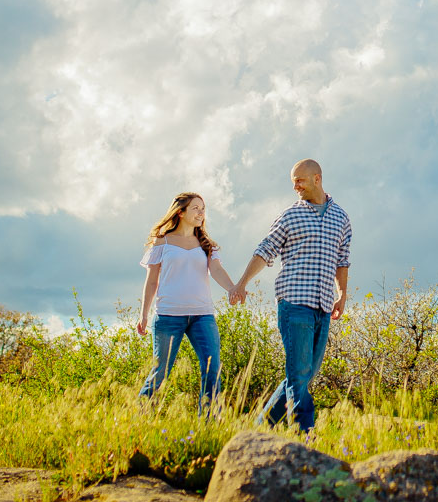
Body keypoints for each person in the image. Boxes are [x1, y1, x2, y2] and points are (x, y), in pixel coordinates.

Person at [231, 159, 351, 431]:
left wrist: (341, 294)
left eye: (300, 180)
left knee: (304, 376)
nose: (295, 186)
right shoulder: (290, 216)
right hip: (294, 302)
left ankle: (259, 429)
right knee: (298, 375)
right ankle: (304, 436)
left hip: (322, 305)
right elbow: (266, 249)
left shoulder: (341, 217)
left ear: (317, 179)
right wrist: (241, 283)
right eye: (293, 181)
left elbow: (343, 259)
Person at [136, 192, 241, 414]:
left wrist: (232, 288)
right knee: (161, 371)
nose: (201, 213)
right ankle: (139, 415)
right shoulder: (162, 241)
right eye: (196, 208)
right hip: (168, 317)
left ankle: (210, 422)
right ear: (181, 212)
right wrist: (143, 314)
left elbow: (217, 270)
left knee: (212, 368)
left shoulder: (205, 244)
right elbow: (152, 281)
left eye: (203, 209)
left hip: (202, 316)